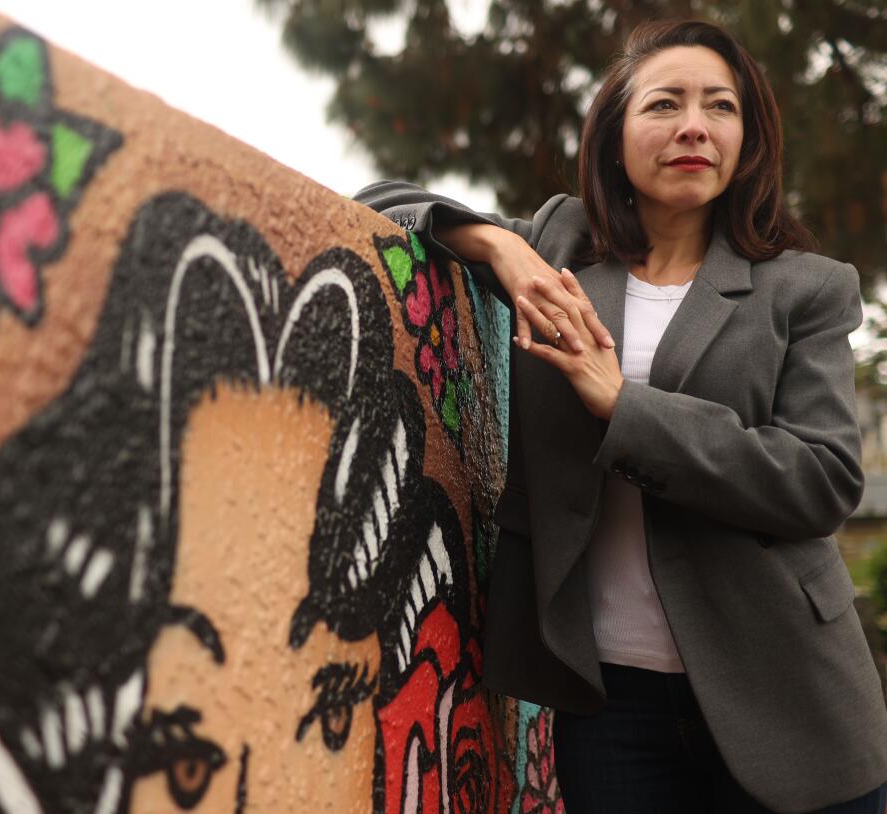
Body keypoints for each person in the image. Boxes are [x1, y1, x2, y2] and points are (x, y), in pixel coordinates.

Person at [355, 19, 887, 814]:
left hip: (786, 690)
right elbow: (378, 202)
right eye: (664, 104)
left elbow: (821, 479)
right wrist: (502, 249)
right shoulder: (560, 249)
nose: (694, 127)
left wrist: (625, 407)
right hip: (610, 701)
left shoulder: (805, 288)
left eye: (720, 107)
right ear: (615, 133)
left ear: (748, 140)